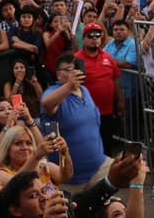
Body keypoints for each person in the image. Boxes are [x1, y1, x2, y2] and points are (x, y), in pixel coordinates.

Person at [40, 53, 106, 186]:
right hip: (71, 180)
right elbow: (46, 103)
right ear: (58, 74)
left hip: (99, 169)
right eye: (69, 69)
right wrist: (69, 85)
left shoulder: (84, 90)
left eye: (76, 68)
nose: (74, 72)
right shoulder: (53, 91)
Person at [74, 21, 123, 150]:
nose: (94, 38)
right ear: (83, 39)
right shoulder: (76, 59)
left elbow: (115, 79)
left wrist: (120, 101)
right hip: (86, 111)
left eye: (97, 35)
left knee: (106, 143)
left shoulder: (108, 57)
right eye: (90, 36)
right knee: (89, 144)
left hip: (107, 111)